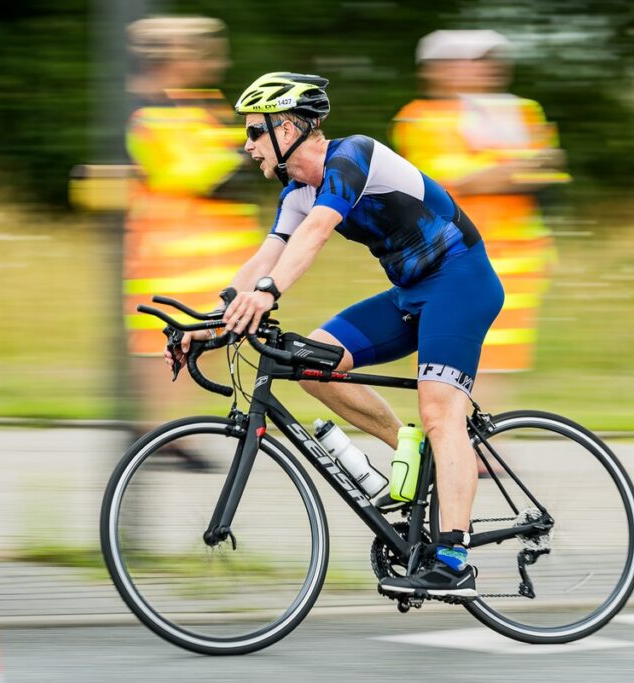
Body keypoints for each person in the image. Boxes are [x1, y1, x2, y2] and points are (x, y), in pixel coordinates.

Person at [166, 72, 504, 599]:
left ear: (286, 128)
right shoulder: (297, 193)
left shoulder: (353, 157)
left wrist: (267, 294)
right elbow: (265, 257)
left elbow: (316, 233)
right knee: (311, 364)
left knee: (441, 412)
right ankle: (414, 456)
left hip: (462, 283)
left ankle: (454, 562)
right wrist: (213, 322)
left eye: (254, 132)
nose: (247, 145)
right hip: (410, 294)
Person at [392, 30, 569, 377]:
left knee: (499, 360)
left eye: (488, 60)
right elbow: (448, 183)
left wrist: (496, 171)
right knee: (453, 358)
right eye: (469, 61)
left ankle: (486, 416)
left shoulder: (523, 111)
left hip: (519, 260)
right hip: (454, 255)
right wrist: (517, 168)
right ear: (435, 69)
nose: (485, 68)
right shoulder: (420, 117)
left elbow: (550, 169)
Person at [123, 17, 261, 451]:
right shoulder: (150, 111)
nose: (217, 60)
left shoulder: (199, 104)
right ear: (173, 58)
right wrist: (245, 159)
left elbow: (234, 158)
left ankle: (164, 433)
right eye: (202, 51)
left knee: (203, 335)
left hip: (207, 255)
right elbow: (194, 172)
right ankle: (159, 434)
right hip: (169, 252)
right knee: (163, 338)